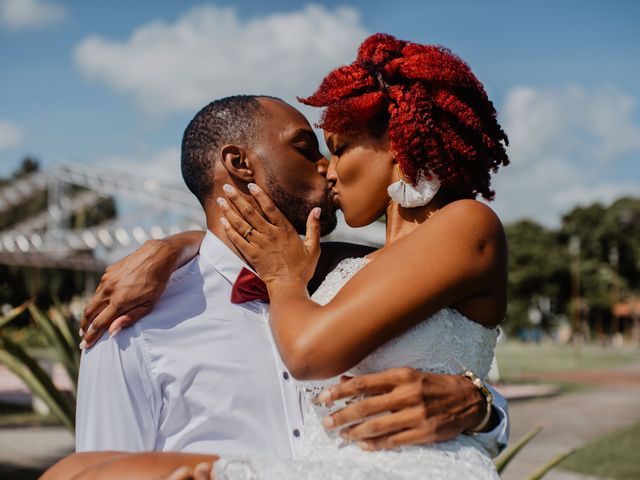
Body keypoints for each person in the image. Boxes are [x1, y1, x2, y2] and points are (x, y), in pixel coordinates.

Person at [43, 81, 508, 478]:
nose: (328, 167)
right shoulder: (131, 322)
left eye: (336, 149)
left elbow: (440, 340)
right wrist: (181, 246)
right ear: (240, 164)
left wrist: (484, 408)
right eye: (309, 150)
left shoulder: (365, 268)